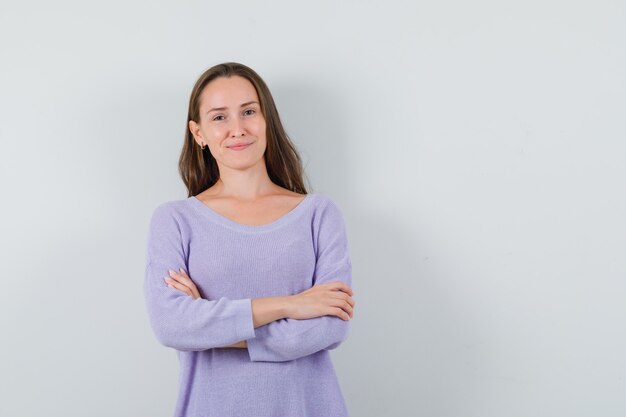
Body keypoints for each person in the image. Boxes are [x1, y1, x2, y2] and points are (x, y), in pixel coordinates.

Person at [143, 62, 356, 417]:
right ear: (199, 133)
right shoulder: (175, 220)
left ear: (267, 119)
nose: (237, 129)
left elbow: (330, 326)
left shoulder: (319, 214)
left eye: (248, 112)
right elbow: (172, 325)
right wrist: (289, 306)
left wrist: (212, 326)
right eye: (219, 117)